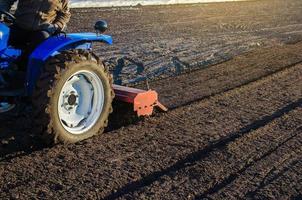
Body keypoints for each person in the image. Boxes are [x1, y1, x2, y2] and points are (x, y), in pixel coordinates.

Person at [0, 0, 71, 89]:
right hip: (20, 25)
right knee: (2, 34)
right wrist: (2, 10)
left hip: (42, 30)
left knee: (39, 43)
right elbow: (6, 1)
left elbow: (64, 14)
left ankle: (21, 74)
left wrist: (56, 26)